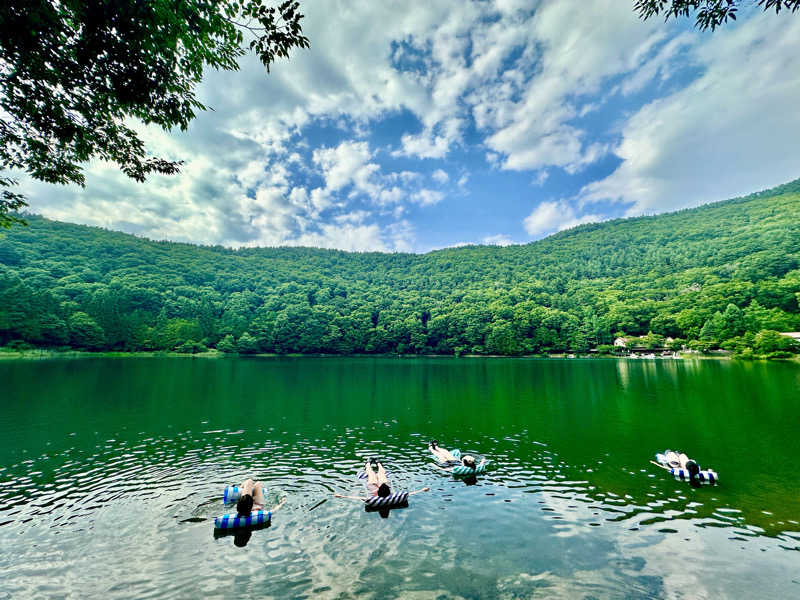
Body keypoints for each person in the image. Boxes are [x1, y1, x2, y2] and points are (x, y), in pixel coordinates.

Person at [334, 459, 430, 517]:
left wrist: (342, 496)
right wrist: (422, 490)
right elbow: (410, 494)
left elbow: (359, 498)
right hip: (380, 489)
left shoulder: (373, 500)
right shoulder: (395, 498)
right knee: (381, 476)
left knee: (371, 475)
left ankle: (368, 464)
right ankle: (379, 463)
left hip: (374, 488)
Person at [233, 479, 287, 547]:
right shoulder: (256, 515)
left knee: (252, 483)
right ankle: (240, 488)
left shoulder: (234, 519)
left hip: (247, 506)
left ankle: (239, 489)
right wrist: (282, 502)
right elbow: (273, 511)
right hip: (256, 505)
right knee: (257, 484)